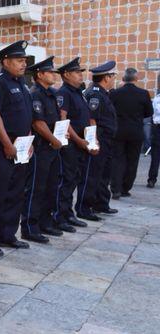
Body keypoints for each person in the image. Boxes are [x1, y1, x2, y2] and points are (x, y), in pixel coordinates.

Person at [0, 40, 33, 257]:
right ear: (5, 61)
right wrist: (7, 144)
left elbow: (27, 116)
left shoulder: (22, 84)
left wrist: (27, 141)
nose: (23, 64)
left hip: (19, 146)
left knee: (16, 192)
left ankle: (7, 234)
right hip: (3, 146)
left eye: (24, 61)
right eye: (19, 60)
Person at [21, 56, 68, 241]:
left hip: (53, 148)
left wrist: (61, 134)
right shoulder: (35, 94)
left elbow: (57, 118)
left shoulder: (52, 94)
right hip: (41, 148)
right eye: (50, 72)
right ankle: (30, 227)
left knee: (51, 186)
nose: (53, 75)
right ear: (40, 74)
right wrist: (54, 139)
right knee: (36, 188)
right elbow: (38, 123)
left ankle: (45, 222)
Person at [54, 57, 98, 226]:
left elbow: (87, 119)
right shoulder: (64, 93)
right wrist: (78, 140)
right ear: (66, 74)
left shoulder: (78, 93)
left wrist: (91, 141)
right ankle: (60, 215)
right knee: (66, 180)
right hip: (71, 144)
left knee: (74, 179)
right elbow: (63, 119)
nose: (81, 75)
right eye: (77, 72)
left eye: (81, 72)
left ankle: (68, 213)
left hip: (82, 144)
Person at [78, 61, 118, 215]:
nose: (114, 79)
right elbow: (91, 119)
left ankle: (101, 204)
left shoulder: (101, 93)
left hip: (106, 141)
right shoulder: (95, 94)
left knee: (103, 175)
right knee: (92, 175)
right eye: (112, 76)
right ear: (106, 78)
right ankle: (85, 208)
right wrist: (93, 142)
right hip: (98, 139)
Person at [110, 67, 153, 198]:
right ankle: (125, 188)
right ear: (136, 78)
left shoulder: (115, 93)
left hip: (119, 131)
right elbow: (149, 113)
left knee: (117, 159)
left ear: (124, 78)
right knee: (132, 160)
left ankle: (115, 189)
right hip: (136, 131)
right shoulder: (143, 93)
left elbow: (110, 110)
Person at [148, 80, 160, 187]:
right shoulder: (157, 98)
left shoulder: (157, 98)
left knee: (155, 156)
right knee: (155, 156)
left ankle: (152, 179)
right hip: (157, 128)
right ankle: (152, 179)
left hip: (157, 127)